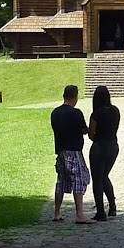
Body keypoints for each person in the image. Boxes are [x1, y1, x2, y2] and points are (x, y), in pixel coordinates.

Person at [50, 84, 95, 224]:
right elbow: (84, 130)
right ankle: (80, 214)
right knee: (80, 178)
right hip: (74, 151)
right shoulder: (76, 113)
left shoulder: (55, 113)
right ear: (75, 97)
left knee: (61, 180)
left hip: (60, 150)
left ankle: (57, 212)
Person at [87, 84, 121, 220]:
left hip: (99, 147)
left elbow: (90, 134)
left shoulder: (96, 114)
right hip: (113, 145)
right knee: (104, 176)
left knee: (97, 179)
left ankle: (100, 211)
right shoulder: (115, 111)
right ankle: (112, 206)